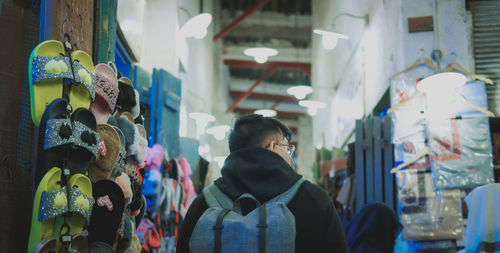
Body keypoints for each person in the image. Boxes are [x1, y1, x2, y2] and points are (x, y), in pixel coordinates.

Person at [177, 114, 348, 252]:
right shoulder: (314, 199)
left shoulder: (202, 204)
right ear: (273, 147)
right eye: (288, 148)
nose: (290, 156)